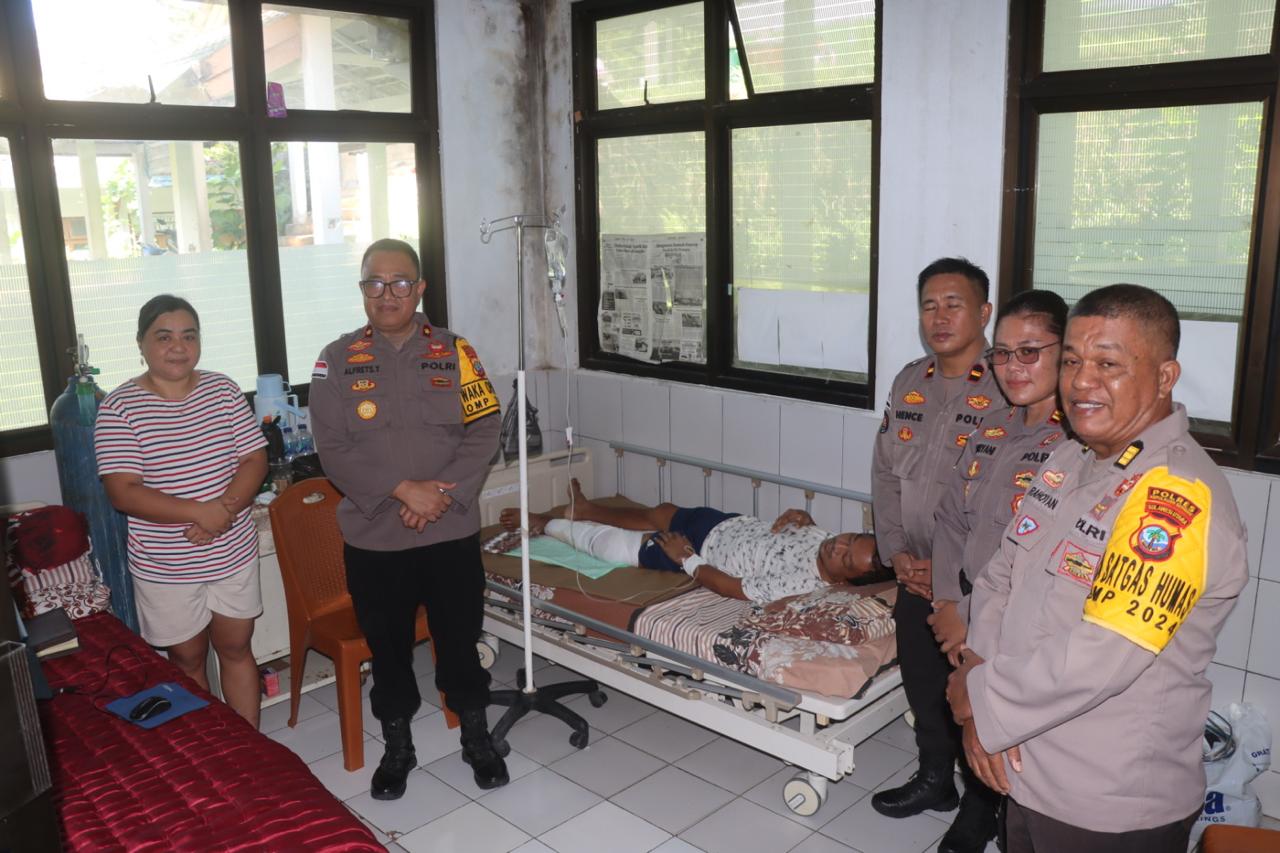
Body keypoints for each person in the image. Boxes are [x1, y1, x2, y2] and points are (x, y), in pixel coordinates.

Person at [946, 284, 1248, 852]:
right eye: (1071, 362)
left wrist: (982, 700)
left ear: (1164, 377)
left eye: (1108, 364)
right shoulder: (1071, 456)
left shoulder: (1174, 496)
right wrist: (977, 675)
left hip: (1103, 800)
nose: (1082, 381)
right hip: (1023, 764)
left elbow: (1103, 654)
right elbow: (1000, 576)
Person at [309, 238, 508, 799]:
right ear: (363, 290)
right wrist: (402, 490)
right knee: (388, 650)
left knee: (460, 641)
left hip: (449, 531)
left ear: (419, 288)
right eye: (374, 283)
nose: (387, 294)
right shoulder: (336, 360)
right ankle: (398, 747)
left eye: (399, 282)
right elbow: (332, 449)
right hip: (376, 539)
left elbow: (485, 429)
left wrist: (439, 495)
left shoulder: (456, 350)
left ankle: (476, 736)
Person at [924, 290, 1070, 852]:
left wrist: (968, 616)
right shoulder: (991, 426)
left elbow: (1044, 561)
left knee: (1007, 728)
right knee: (969, 712)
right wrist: (945, 600)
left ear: (1066, 352)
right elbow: (949, 517)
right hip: (962, 603)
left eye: (1029, 352)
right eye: (1002, 354)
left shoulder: (1075, 444)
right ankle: (974, 805)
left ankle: (991, 815)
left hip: (1018, 620)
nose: (1012, 367)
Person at [870, 257, 1008, 822]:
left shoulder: (1010, 388)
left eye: (954, 304)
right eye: (929, 305)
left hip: (976, 583)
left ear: (984, 312)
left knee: (977, 693)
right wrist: (896, 553)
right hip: (913, 570)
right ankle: (934, 779)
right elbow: (885, 472)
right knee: (923, 683)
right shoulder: (910, 381)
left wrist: (950, 575)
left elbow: (1006, 504)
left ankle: (980, 808)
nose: (940, 317)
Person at [96, 294, 268, 728]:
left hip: (231, 552)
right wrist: (199, 513)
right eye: (164, 337)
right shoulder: (118, 408)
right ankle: (212, 747)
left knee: (236, 648)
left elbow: (254, 460)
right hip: (166, 565)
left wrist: (221, 513)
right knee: (187, 660)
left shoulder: (223, 390)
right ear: (141, 343)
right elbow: (123, 492)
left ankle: (249, 746)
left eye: (189, 336)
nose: (178, 347)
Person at [498, 480, 888, 603]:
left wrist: (685, 558)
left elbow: (733, 588)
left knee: (616, 548)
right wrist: (807, 519)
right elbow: (821, 544)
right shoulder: (825, 539)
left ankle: (546, 524)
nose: (837, 546)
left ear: (843, 580)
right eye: (848, 539)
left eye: (845, 558)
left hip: (700, 551)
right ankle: (586, 509)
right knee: (660, 511)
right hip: (724, 524)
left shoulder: (798, 584)